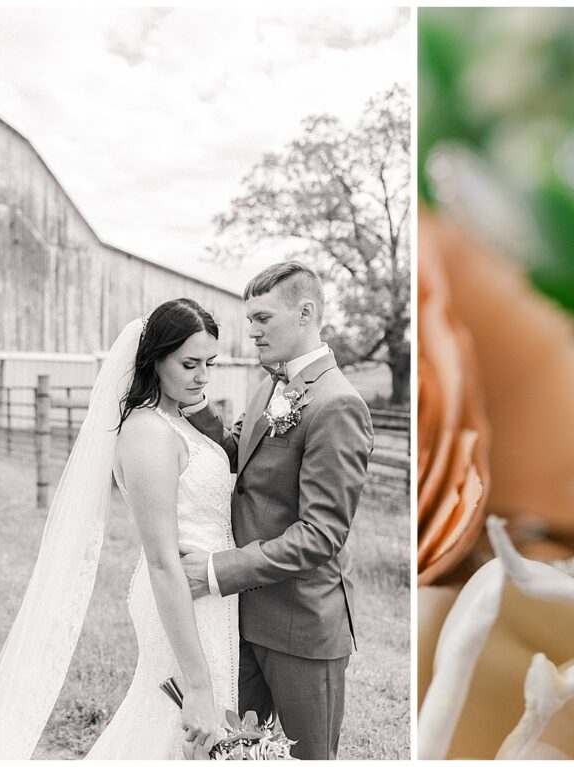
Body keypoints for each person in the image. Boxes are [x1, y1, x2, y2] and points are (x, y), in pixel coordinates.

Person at [0, 298, 236, 760]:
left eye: (210, 363)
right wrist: (196, 684)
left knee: (199, 732)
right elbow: (162, 561)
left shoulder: (182, 420)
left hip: (210, 592)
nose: (203, 376)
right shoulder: (147, 434)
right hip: (180, 593)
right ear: (154, 359)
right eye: (190, 363)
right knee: (182, 722)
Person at [181, 261, 373, 760]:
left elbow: (320, 534)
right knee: (239, 754)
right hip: (245, 618)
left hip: (303, 628)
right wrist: (190, 401)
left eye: (263, 318)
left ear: (305, 312)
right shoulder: (269, 384)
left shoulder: (338, 405)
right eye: (251, 319)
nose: (253, 330)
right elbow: (238, 456)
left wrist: (218, 571)